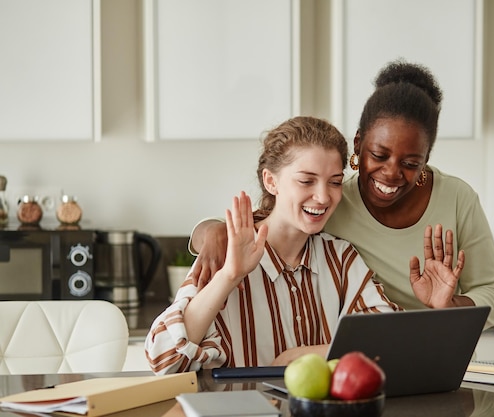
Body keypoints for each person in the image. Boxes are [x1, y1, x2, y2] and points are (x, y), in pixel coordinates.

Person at [188, 60, 494, 329]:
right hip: (367, 359)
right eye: (379, 155)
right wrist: (214, 231)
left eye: (411, 163)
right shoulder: (332, 199)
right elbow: (266, 219)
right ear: (358, 146)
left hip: (443, 356)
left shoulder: (457, 199)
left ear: (426, 159)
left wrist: (450, 305)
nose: (392, 173)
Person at [145, 116, 410, 375]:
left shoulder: (340, 257)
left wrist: (303, 355)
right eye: (306, 181)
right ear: (271, 181)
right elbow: (163, 360)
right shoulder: (229, 252)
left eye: (335, 182)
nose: (323, 196)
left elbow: (389, 342)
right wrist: (229, 276)